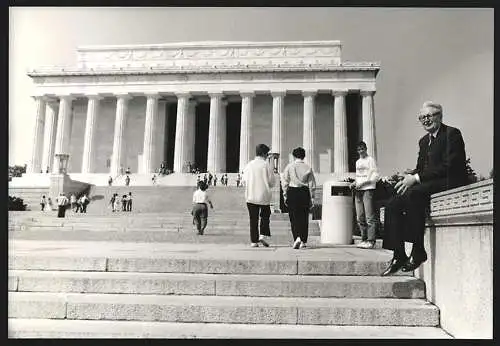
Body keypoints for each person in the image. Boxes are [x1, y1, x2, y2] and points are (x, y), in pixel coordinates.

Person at [381, 101, 468, 276]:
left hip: (450, 180)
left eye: (429, 116)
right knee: (393, 203)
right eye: (422, 118)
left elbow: (451, 165)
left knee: (414, 194)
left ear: (439, 116)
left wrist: (416, 178)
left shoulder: (452, 134)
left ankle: (418, 250)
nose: (425, 120)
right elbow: (421, 168)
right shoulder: (423, 141)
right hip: (429, 182)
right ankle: (398, 254)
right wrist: (409, 175)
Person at [281, 147, 317, 249]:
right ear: (304, 156)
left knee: (294, 217)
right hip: (304, 192)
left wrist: (285, 195)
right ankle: (303, 241)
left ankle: (297, 237)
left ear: (293, 156)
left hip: (292, 191)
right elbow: (312, 184)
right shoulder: (308, 167)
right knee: (304, 217)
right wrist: (312, 197)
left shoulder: (289, 166)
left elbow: (285, 181)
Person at [242, 143, 276, 247]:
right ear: (265, 154)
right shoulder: (267, 165)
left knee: (253, 219)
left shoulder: (249, 165)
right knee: (265, 216)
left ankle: (254, 241)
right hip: (263, 195)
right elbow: (272, 182)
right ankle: (262, 235)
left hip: (251, 195)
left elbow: (244, 181)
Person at [350, 141, 380, 250]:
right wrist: (355, 182)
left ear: (366, 149)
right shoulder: (358, 162)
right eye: (358, 150)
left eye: (362, 149)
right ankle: (364, 239)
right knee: (360, 217)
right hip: (358, 190)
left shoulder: (370, 160)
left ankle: (371, 241)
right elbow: (359, 176)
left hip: (368, 189)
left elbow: (375, 175)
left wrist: (365, 183)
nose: (360, 151)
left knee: (369, 217)